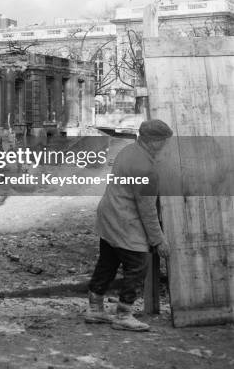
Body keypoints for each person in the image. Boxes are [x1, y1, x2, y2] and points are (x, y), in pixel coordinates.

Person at [85, 119, 173, 332]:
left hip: (109, 215)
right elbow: (148, 210)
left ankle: (95, 308)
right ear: (154, 142)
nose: (165, 147)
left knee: (108, 262)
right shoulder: (145, 168)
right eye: (164, 143)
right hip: (125, 220)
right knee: (137, 266)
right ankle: (124, 314)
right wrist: (158, 240)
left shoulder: (128, 151)